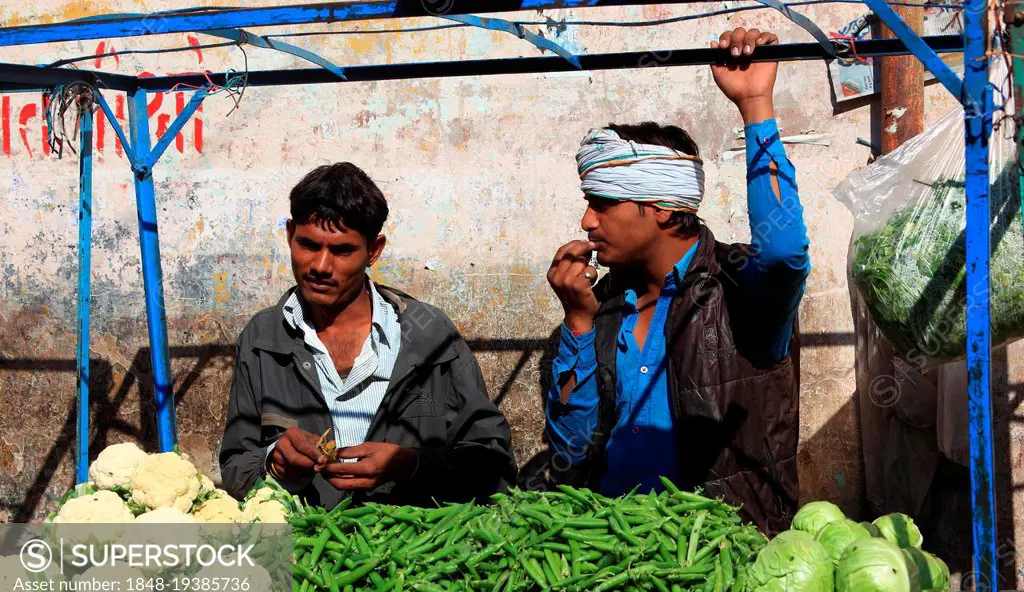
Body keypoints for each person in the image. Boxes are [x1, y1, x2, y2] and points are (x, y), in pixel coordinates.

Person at [544, 27, 809, 534]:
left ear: (664, 209)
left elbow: (784, 253)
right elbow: (571, 453)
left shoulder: (740, 291)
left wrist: (755, 104)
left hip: (720, 555)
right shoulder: (601, 307)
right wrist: (578, 323)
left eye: (603, 203)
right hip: (617, 556)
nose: (586, 222)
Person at [220, 162, 515, 509]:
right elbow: (235, 470)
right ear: (289, 235)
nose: (320, 266)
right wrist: (273, 461)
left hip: (410, 553)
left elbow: (494, 465)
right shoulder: (263, 339)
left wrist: (412, 465)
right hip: (307, 551)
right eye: (309, 245)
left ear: (373, 251)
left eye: (342, 250)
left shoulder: (429, 336)